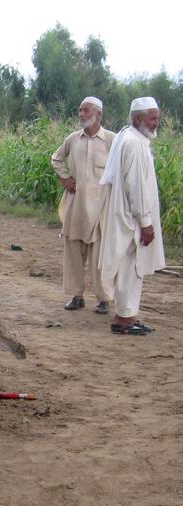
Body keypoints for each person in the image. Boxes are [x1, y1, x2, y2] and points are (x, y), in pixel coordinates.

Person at [99, 97, 166, 335]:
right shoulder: (134, 143)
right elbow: (135, 187)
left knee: (129, 267)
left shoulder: (129, 137)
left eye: (157, 118)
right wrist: (146, 222)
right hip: (132, 218)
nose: (156, 123)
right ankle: (124, 319)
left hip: (127, 215)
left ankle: (126, 316)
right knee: (131, 267)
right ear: (138, 119)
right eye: (152, 118)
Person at [51, 96, 116, 314]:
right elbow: (56, 158)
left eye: (85, 110)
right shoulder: (73, 139)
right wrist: (64, 178)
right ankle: (76, 296)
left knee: (100, 257)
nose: (81, 114)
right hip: (76, 206)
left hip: (101, 210)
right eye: (80, 110)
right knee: (73, 253)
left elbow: (124, 168)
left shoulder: (111, 140)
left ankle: (103, 299)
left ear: (98, 114)